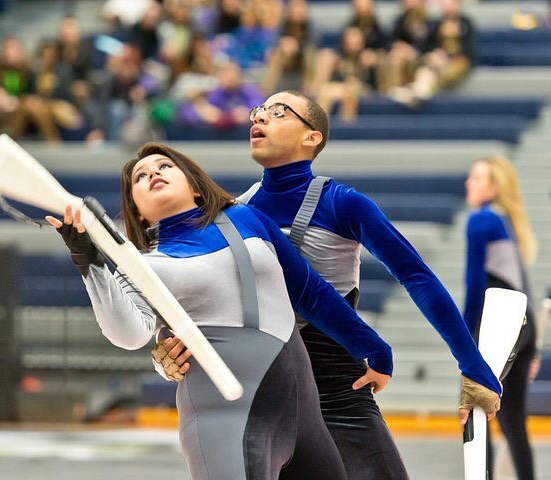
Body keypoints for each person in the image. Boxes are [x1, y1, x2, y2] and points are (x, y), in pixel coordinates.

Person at [157, 90, 503, 479]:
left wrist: (472, 365)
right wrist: (170, 352)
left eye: (278, 112)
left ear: (312, 137)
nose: (260, 118)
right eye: (258, 111)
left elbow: (417, 276)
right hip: (265, 391)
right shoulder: (238, 212)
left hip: (338, 388)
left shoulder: (342, 203)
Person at [46, 141, 396, 479]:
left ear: (196, 187)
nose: (153, 173)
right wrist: (88, 261)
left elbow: (311, 292)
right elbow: (130, 334)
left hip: (305, 422)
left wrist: (374, 348)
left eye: (165, 166)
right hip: (224, 419)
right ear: (136, 208)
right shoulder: (142, 266)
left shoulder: (248, 218)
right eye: (140, 176)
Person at [464, 156, 538, 480]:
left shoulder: (481, 220)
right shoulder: (506, 220)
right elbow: (524, 286)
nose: (469, 182)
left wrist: (463, 336)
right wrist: (532, 346)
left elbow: (474, 282)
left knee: (477, 412)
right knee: (512, 421)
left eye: (477, 178)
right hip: (522, 323)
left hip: (498, 323)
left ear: (493, 187)